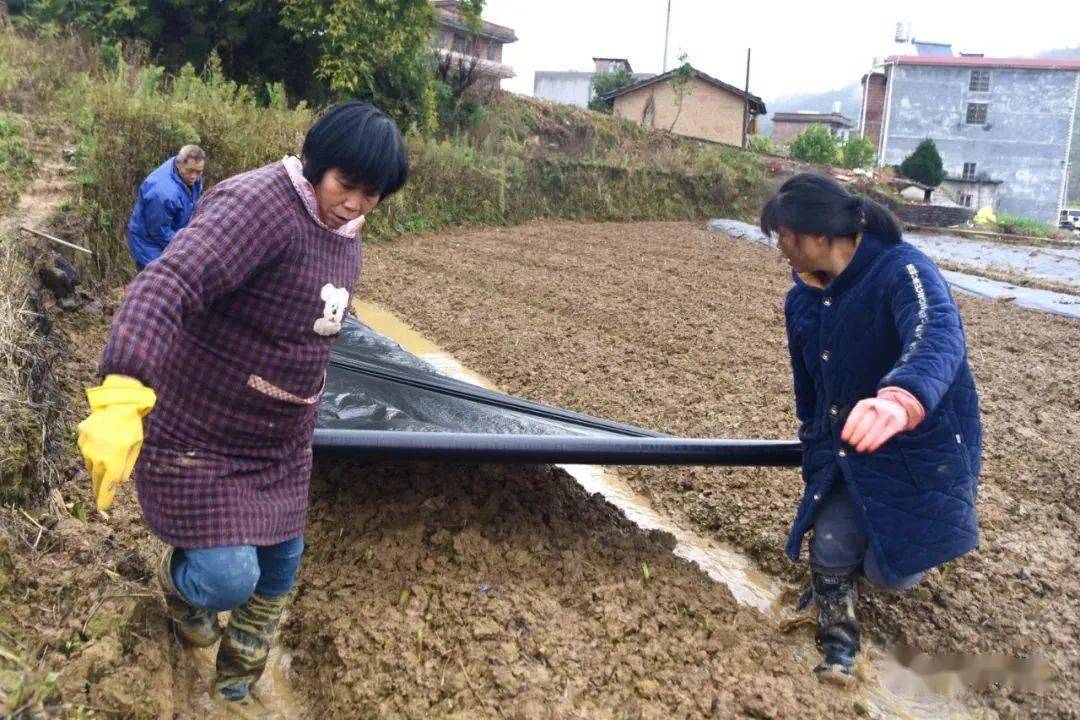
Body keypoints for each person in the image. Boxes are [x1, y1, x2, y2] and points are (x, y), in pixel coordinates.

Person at [77, 102, 407, 711]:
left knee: (279, 571)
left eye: (373, 194)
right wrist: (123, 389)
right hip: (204, 429)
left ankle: (237, 681)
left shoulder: (346, 232)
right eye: (347, 185)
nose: (358, 204)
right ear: (314, 165)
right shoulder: (257, 206)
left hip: (279, 441)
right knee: (228, 580)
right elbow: (169, 282)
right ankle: (180, 590)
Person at [760, 173, 981, 684]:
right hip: (848, 446)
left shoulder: (902, 272)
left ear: (818, 234)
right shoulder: (801, 301)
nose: (780, 249)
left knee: (894, 572)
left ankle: (868, 566)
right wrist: (814, 442)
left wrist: (901, 399)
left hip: (912, 441)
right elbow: (809, 387)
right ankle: (839, 645)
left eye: (784, 236)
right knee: (831, 545)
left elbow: (937, 333)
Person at [127, 145, 206, 271]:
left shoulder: (188, 173)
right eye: (190, 171)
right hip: (150, 245)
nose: (194, 177)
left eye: (199, 172)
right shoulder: (162, 192)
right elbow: (159, 231)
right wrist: (185, 248)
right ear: (179, 164)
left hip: (173, 232)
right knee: (155, 283)